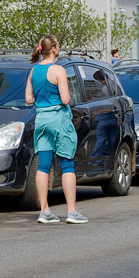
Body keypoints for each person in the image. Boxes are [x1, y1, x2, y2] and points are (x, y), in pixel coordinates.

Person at [24, 36, 87, 224]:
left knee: (43, 165)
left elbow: (28, 99)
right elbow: (66, 99)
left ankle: (44, 211)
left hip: (41, 119)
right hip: (59, 119)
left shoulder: (34, 71)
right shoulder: (58, 70)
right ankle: (72, 211)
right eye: (58, 45)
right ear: (54, 49)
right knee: (67, 164)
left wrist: (43, 101)